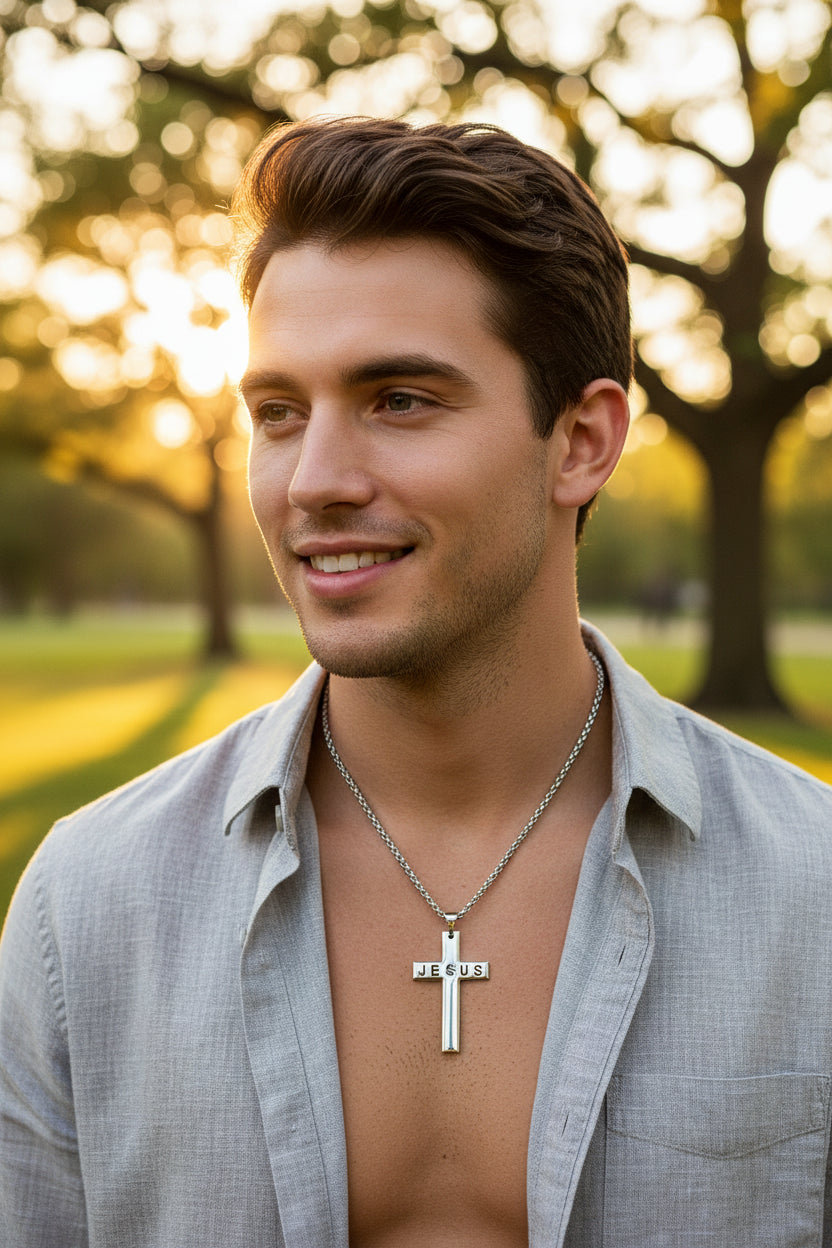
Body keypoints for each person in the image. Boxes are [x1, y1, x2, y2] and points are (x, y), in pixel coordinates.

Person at [1, 116, 832, 1248]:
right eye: (278, 413)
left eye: (399, 399)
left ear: (581, 441)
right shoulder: (89, 910)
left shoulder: (811, 896)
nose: (316, 482)